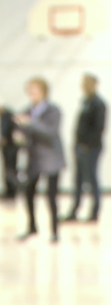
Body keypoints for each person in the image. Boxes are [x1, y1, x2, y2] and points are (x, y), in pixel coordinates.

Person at [14, 77, 66, 243]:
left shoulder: (54, 111)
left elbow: (49, 133)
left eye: (34, 90)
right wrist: (19, 134)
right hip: (34, 159)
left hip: (51, 159)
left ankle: (55, 231)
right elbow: (23, 130)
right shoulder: (27, 111)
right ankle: (32, 227)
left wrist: (30, 123)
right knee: (29, 192)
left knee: (51, 196)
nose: (31, 93)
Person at [64, 74, 107, 223]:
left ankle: (95, 212)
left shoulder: (98, 104)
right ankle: (75, 209)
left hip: (91, 148)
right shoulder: (85, 102)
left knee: (92, 179)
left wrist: (87, 145)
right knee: (78, 179)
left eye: (87, 83)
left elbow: (98, 128)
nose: (84, 85)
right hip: (80, 147)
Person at [0, 99, 19, 199]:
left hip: (10, 148)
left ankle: (12, 192)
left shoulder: (7, 115)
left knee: (10, 169)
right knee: (8, 170)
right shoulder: (4, 115)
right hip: (7, 147)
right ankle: (9, 191)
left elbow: (6, 132)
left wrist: (1, 141)